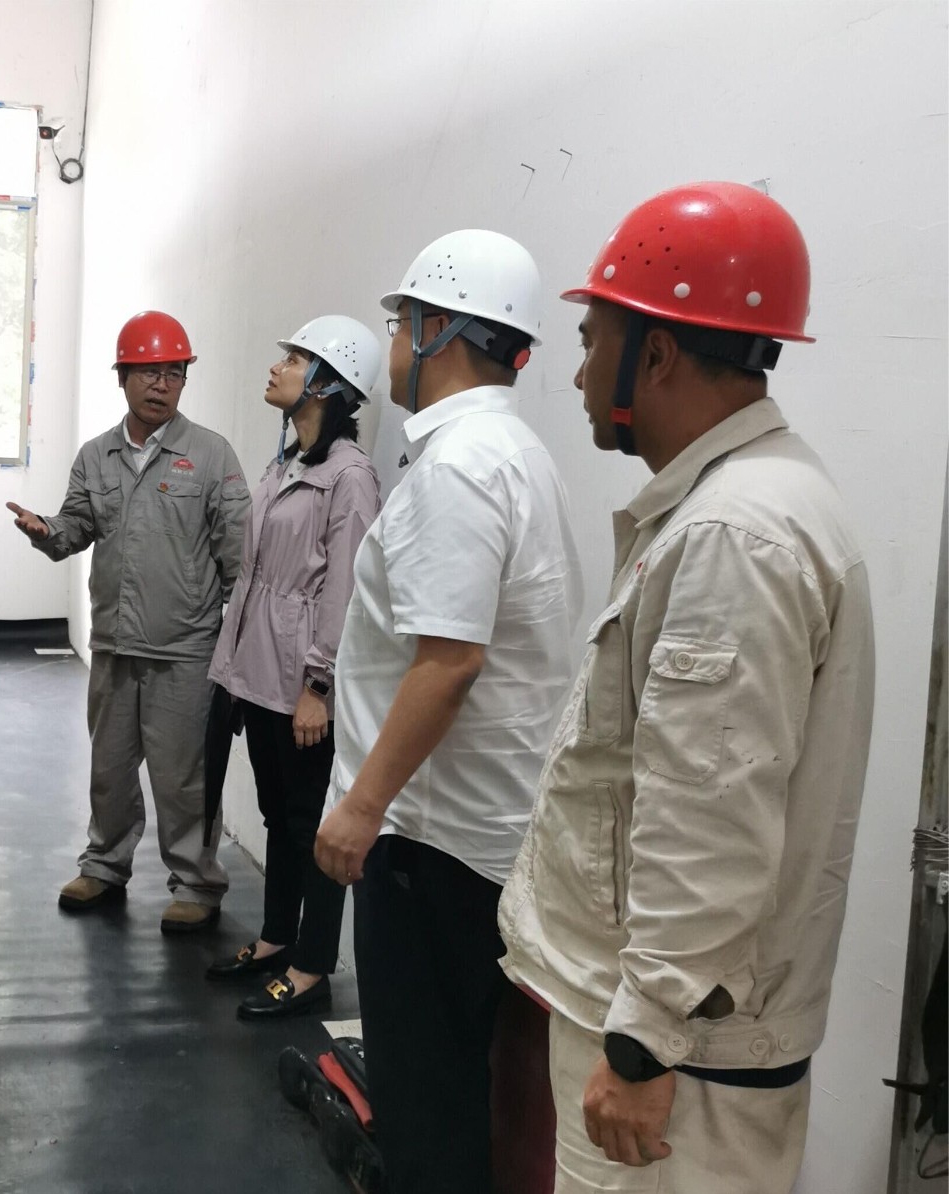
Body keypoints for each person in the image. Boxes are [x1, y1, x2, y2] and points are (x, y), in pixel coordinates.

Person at [498, 181, 876, 1193]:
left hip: (676, 1064)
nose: (579, 373)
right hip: (682, 1041)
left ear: (655, 353)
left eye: (592, 342)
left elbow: (708, 812)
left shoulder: (731, 536)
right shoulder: (750, 503)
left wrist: (642, 1045)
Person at [313, 230, 582, 1193]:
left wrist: (361, 806)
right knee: (465, 1089)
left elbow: (450, 660)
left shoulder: (458, 467)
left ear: (435, 332)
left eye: (400, 324)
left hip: (431, 847)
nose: (392, 346)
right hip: (479, 839)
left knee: (426, 1103)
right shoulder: (515, 452)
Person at [6, 311, 250, 934]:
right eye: (147, 372)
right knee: (109, 769)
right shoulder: (97, 457)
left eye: (173, 373)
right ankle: (104, 866)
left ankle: (196, 884)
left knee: (183, 779)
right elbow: (75, 528)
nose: (161, 385)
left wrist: (235, 650)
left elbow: (239, 559)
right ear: (122, 377)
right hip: (115, 643)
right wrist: (45, 531)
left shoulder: (211, 455)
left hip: (184, 650)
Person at [204, 315, 383, 1020]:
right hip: (259, 673)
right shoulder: (287, 465)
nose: (277, 366)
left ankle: (312, 967)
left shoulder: (350, 478)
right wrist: (233, 671)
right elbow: (254, 577)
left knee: (311, 823)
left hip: (300, 681)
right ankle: (278, 937)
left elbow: (346, 589)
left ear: (329, 383)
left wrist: (319, 685)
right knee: (278, 815)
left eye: (295, 358)